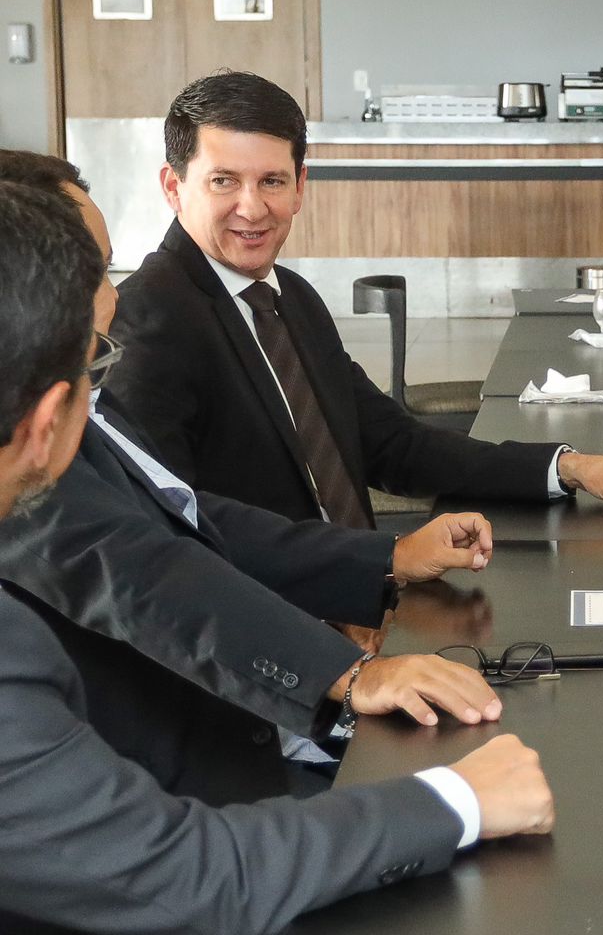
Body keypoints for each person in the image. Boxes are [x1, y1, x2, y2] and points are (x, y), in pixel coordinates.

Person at [0, 180, 554, 934]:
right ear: (44, 424)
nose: (111, 300)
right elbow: (180, 875)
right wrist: (454, 800)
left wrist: (385, 559)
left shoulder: (284, 299)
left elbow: (186, 516)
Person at [108, 70, 603, 528]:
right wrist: (381, 565)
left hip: (356, 586)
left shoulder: (289, 298)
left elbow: (392, 445)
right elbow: (178, 531)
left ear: (300, 187)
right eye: (224, 181)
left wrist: (569, 467)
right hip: (282, 616)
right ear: (174, 187)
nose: (252, 208)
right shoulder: (148, 320)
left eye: (272, 182)